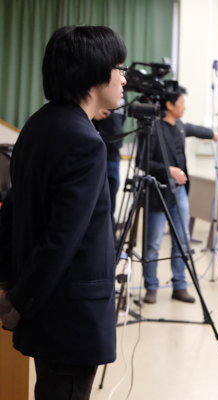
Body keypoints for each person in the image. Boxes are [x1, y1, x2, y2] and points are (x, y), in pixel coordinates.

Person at [0, 25, 126, 399]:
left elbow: (11, 213)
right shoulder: (84, 141)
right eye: (118, 67)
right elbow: (61, 239)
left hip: (46, 312)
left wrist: (10, 285)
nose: (123, 78)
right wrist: (22, 302)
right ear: (93, 71)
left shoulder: (38, 125)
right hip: (69, 318)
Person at [142, 86, 218, 304]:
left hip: (180, 194)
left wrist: (212, 134)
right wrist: (169, 171)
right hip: (159, 192)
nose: (185, 106)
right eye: (182, 103)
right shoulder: (154, 128)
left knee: (182, 241)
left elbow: (196, 129)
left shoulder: (180, 127)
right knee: (153, 243)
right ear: (170, 105)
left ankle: (179, 285)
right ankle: (151, 286)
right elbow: (143, 162)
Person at [92, 92, 128, 232]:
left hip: (113, 155)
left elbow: (122, 119)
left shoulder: (122, 93)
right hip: (95, 150)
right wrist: (93, 111)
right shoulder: (97, 85)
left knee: (111, 197)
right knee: (95, 200)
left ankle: (110, 236)